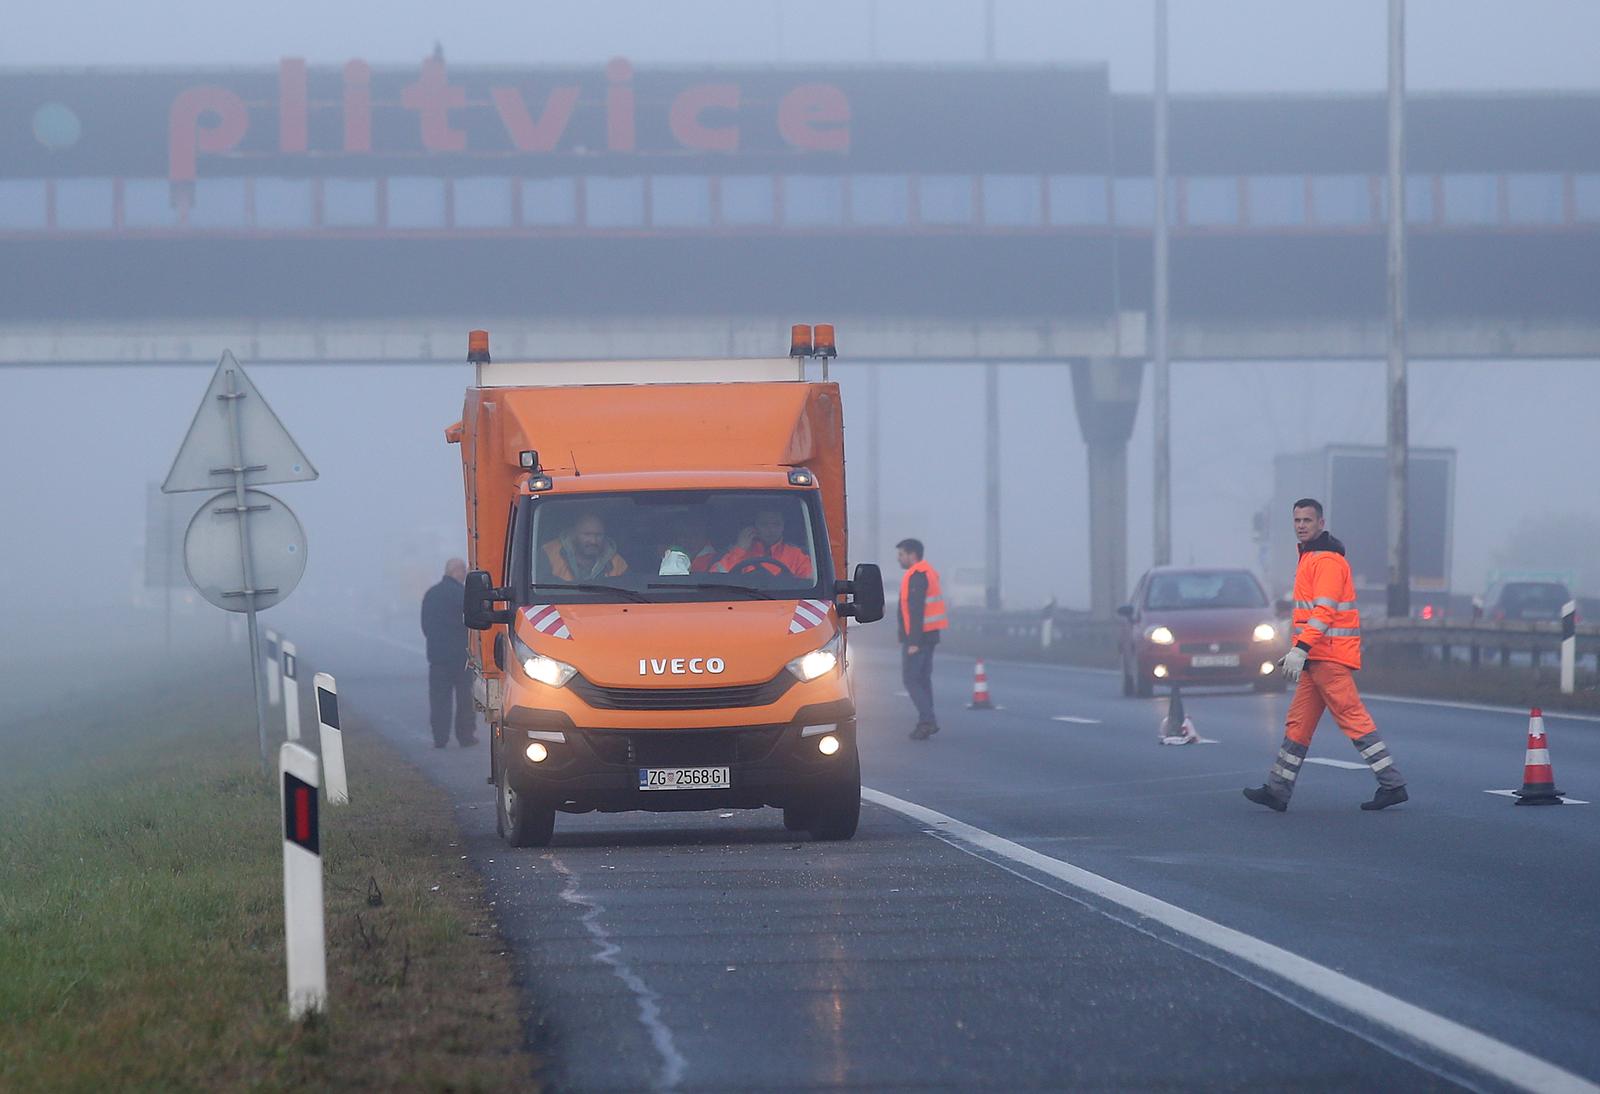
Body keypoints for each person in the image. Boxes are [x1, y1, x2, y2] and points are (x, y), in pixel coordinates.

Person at [1244, 499, 1408, 812]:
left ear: (1321, 523)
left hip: (1327, 656)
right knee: (1298, 724)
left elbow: (1324, 611)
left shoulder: (1327, 561)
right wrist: (1301, 651)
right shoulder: (1309, 558)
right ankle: (1277, 790)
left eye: (1308, 520)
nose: (1301, 525)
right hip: (1315, 657)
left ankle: (1392, 783)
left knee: (1352, 717)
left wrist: (1300, 648)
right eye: (1297, 520)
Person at [420, 558, 477, 749]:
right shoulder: (463, 595)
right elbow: (471, 623)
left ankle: (440, 737)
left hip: (437, 657)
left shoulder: (431, 594)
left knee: (439, 700)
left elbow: (425, 625)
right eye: (464, 571)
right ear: (457, 571)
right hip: (461, 657)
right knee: (465, 699)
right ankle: (465, 736)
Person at [897, 537, 948, 740]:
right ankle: (926, 721)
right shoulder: (927, 572)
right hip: (930, 635)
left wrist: (913, 642)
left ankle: (927, 720)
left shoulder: (917, 575)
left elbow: (916, 611)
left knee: (911, 679)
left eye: (901, 554)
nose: (899, 559)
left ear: (912, 554)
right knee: (923, 679)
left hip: (919, 637)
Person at [714, 507, 813, 578]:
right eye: (764, 524)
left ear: (783, 527)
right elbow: (715, 580)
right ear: (754, 527)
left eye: (776, 524)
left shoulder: (797, 555)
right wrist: (739, 549)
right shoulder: (737, 552)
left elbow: (810, 591)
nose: (771, 529)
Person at [542, 512, 628, 581]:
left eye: (598, 535)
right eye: (587, 534)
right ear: (573, 534)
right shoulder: (549, 554)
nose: (593, 541)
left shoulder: (617, 563)